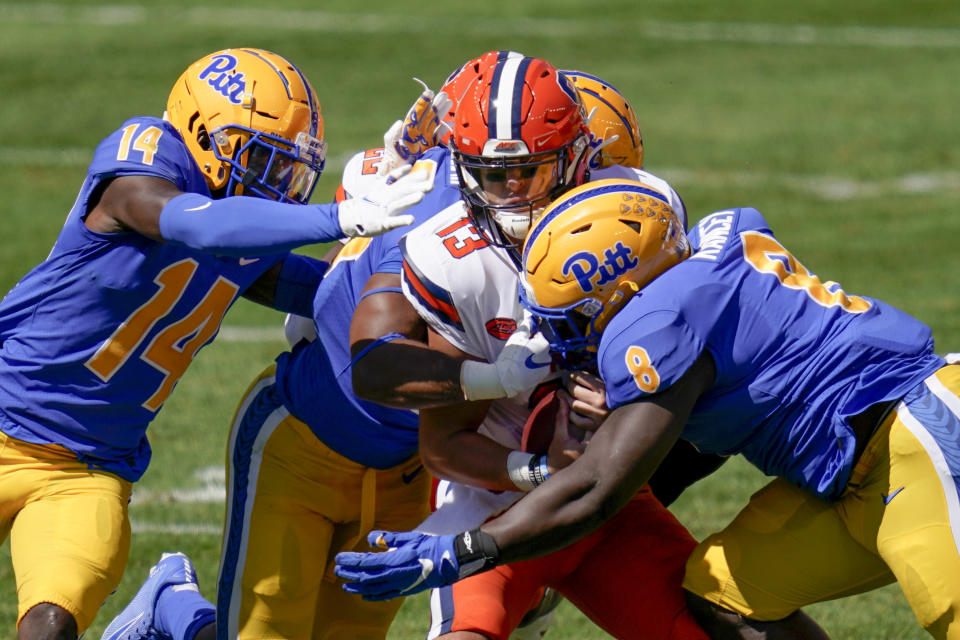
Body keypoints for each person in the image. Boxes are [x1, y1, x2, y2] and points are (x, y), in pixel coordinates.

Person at [337, 177, 960, 639]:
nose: (566, 336)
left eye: (576, 315)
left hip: (917, 437)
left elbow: (598, 487)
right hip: (851, 465)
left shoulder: (657, 322)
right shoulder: (708, 247)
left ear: (622, 291)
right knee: (725, 592)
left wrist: (465, 548)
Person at [0, 47, 430, 640]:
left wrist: (419, 265)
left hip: (86, 470)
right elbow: (198, 224)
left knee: (48, 626)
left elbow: (331, 294)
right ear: (204, 133)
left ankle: (164, 609)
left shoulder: (244, 232)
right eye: (261, 160)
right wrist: (344, 217)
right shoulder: (145, 161)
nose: (277, 185)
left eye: (288, 170)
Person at [348, 53, 715, 640]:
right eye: (496, 176)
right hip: (500, 503)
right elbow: (444, 445)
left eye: (534, 173)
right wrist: (542, 467)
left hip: (613, 495)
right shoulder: (454, 260)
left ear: (575, 163)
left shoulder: (637, 214)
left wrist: (621, 397)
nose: (516, 195)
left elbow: (690, 355)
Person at [99, 118, 462, 639]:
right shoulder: (411, 203)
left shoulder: (530, 235)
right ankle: (174, 606)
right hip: (301, 441)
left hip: (404, 467)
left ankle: (172, 607)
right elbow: (339, 323)